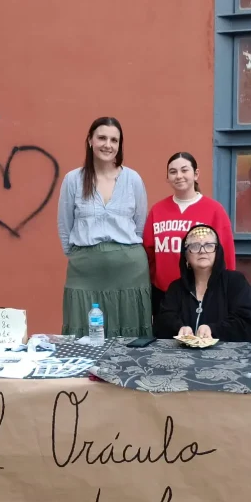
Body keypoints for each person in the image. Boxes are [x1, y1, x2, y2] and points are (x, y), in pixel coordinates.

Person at [58, 117, 152, 337]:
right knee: (83, 335)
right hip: (85, 272)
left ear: (119, 145)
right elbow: (64, 225)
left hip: (130, 272)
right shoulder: (73, 179)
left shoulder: (133, 179)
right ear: (90, 140)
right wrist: (83, 257)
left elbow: (140, 225)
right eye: (102, 138)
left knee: (129, 338)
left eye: (114, 140)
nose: (107, 145)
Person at [143, 152, 236, 318]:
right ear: (167, 178)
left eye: (184, 170)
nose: (179, 176)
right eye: (173, 172)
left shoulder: (214, 210)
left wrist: (225, 290)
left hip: (203, 295)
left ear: (196, 174)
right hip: (164, 295)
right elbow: (148, 254)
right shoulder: (157, 210)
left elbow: (226, 255)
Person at [154, 225, 251, 342]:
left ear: (217, 252)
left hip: (224, 353)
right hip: (183, 352)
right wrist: (179, 328)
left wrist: (213, 330)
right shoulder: (176, 288)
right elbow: (162, 322)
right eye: (195, 246)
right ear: (186, 255)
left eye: (209, 245)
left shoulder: (235, 282)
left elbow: (250, 324)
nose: (202, 251)